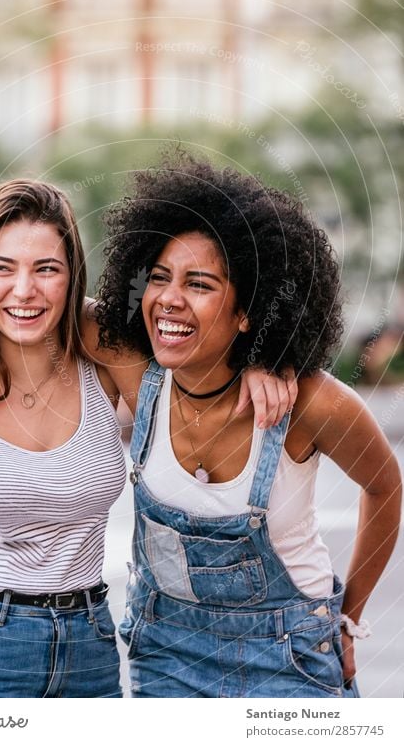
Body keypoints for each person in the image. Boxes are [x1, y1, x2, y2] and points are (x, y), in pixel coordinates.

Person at [0, 177, 291, 699]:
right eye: (2, 268)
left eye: (47, 269)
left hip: (92, 649)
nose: (25, 290)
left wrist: (262, 361)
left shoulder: (104, 366)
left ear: (73, 278)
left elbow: (193, 356)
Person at [92, 153, 402, 698]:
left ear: (247, 311)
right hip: (167, 657)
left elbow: (385, 486)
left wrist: (349, 618)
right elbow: (23, 304)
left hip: (289, 662)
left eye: (200, 284)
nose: (169, 299)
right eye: (160, 277)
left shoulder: (311, 404)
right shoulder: (135, 373)